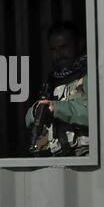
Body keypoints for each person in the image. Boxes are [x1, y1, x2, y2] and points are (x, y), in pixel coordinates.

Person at [25, 22, 89, 157]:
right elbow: (28, 117)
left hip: (83, 157)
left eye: (64, 47)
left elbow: (96, 115)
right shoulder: (52, 80)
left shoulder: (89, 76)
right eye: (53, 49)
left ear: (79, 44)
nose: (58, 54)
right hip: (56, 158)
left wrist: (57, 108)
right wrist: (36, 110)